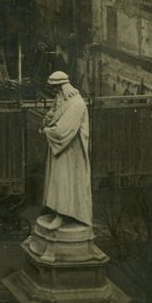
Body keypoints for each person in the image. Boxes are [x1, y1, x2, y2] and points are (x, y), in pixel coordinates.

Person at [38, 71, 92, 230]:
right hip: (61, 150)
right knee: (58, 181)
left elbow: (63, 131)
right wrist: (47, 119)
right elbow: (53, 117)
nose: (54, 92)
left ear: (63, 87)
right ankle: (58, 211)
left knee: (65, 182)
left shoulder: (76, 104)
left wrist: (46, 131)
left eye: (56, 89)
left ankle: (64, 214)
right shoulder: (62, 100)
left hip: (70, 152)